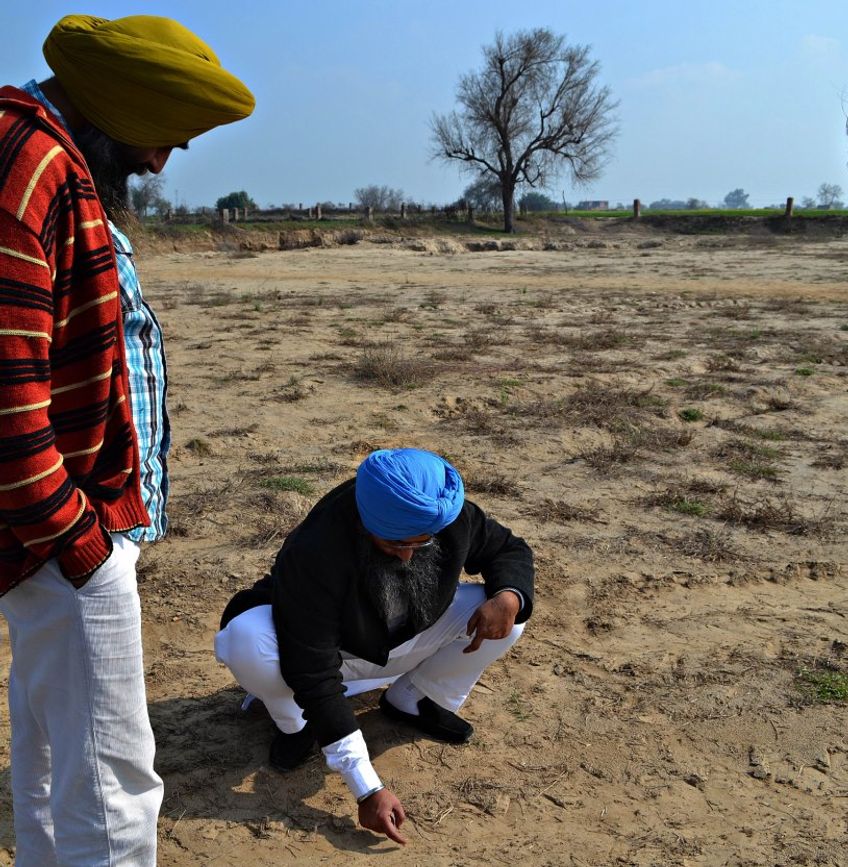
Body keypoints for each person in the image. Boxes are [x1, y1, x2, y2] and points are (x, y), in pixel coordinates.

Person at [0, 15, 253, 865]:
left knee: (52, 756)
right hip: (62, 531)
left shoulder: (45, 159)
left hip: (56, 527)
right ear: (118, 106)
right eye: (163, 138)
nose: (159, 162)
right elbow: (6, 389)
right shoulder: (31, 168)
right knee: (113, 787)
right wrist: (78, 541)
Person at [215, 448, 534, 845]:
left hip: (397, 641)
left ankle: (416, 699)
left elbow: (508, 549)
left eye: (421, 544)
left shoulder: (442, 513)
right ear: (368, 524)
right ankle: (298, 725)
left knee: (508, 615)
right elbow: (311, 669)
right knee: (247, 639)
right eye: (394, 543)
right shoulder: (317, 549)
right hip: (327, 653)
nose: (406, 555)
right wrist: (367, 788)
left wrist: (509, 597)